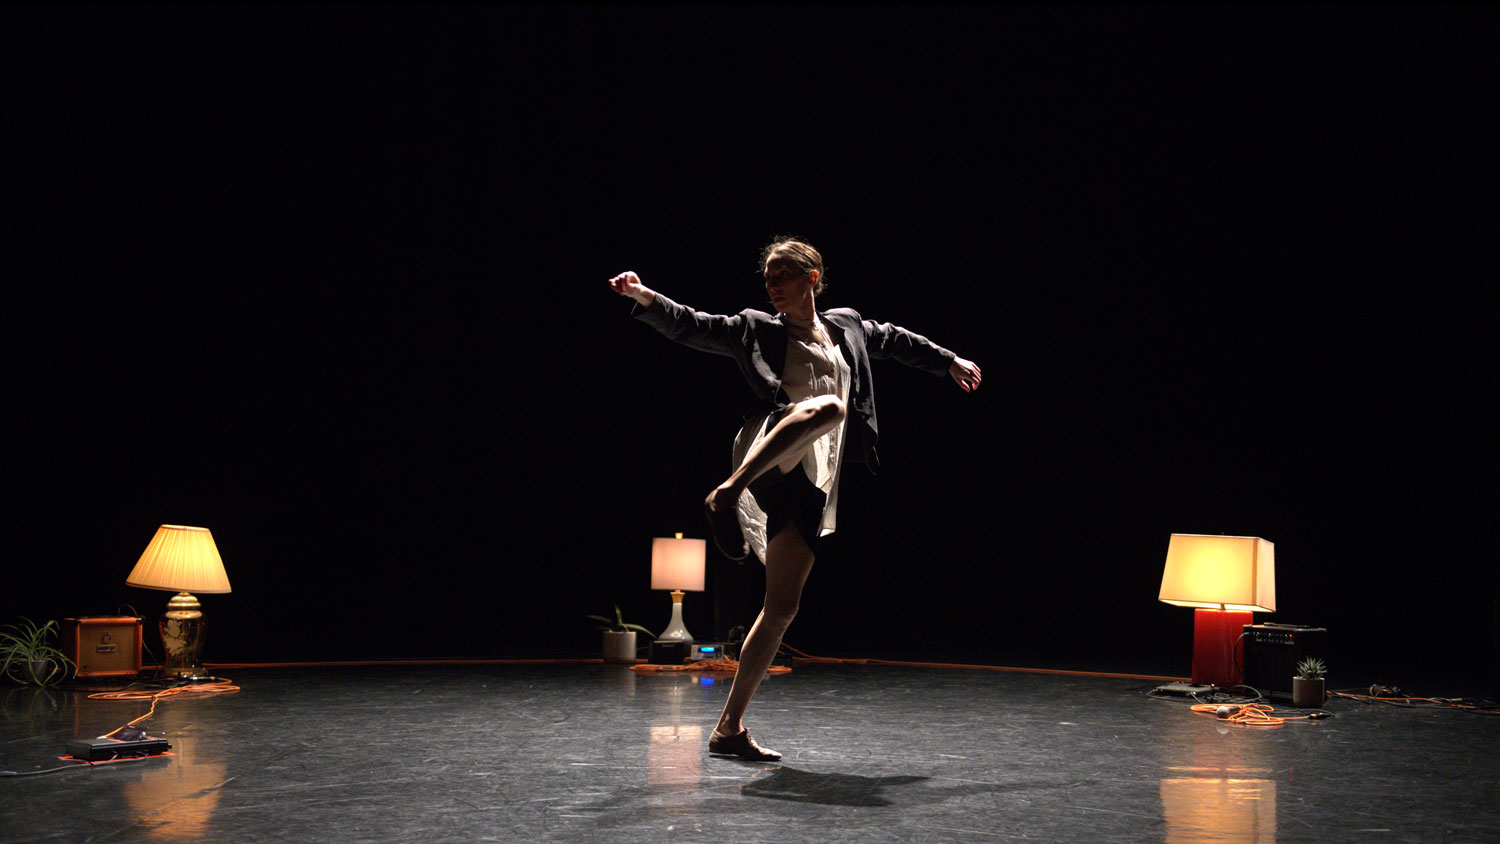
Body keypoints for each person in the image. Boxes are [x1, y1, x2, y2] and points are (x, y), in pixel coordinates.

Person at [607, 237, 981, 761]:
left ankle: (728, 729)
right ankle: (727, 492)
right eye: (768, 276)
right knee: (828, 406)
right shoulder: (755, 327)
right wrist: (644, 295)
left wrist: (950, 362)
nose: (773, 283)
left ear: (812, 276)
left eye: (783, 273)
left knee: (781, 607)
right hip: (767, 452)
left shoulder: (846, 326)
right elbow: (695, 324)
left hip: (815, 476)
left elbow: (896, 340)